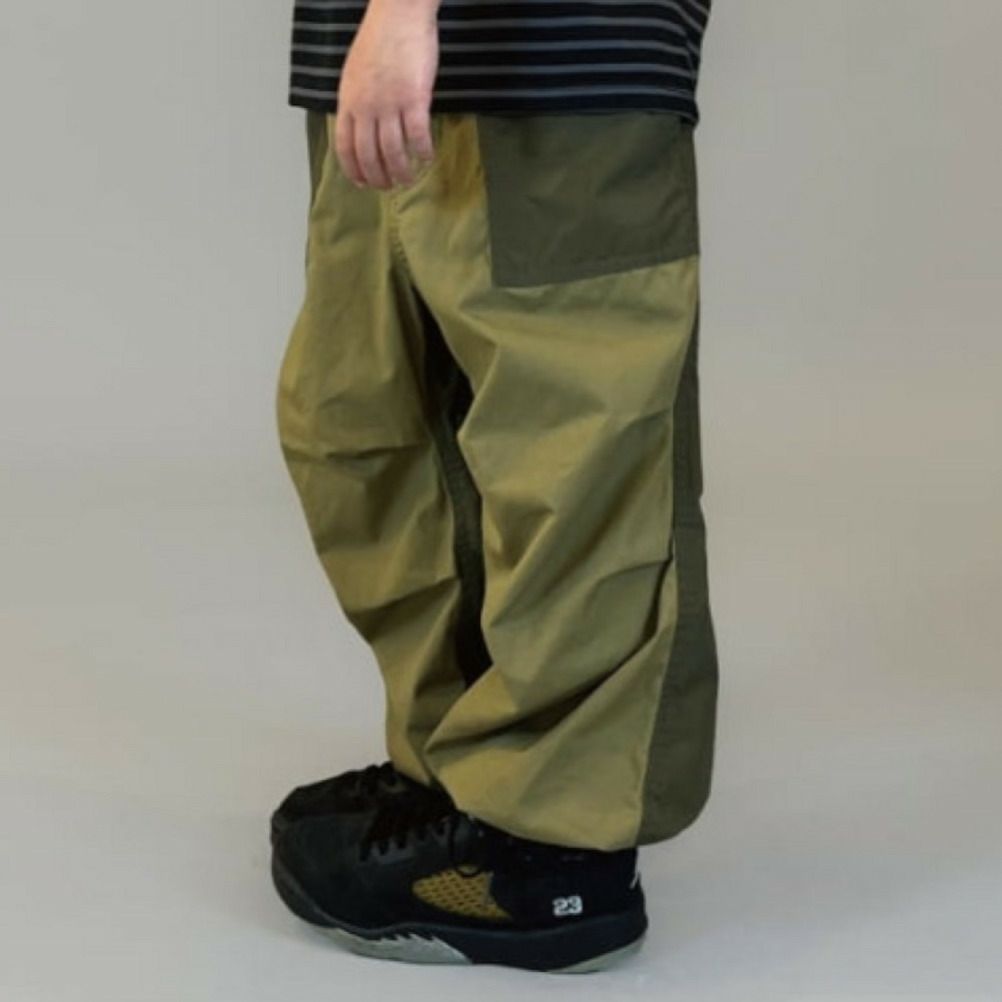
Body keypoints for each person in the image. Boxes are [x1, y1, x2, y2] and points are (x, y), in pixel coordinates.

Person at [270, 0, 719, 974]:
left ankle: (553, 853)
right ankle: (462, 775)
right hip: (382, 58)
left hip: (553, 54)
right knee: (371, 430)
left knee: (569, 462)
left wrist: (404, 12)